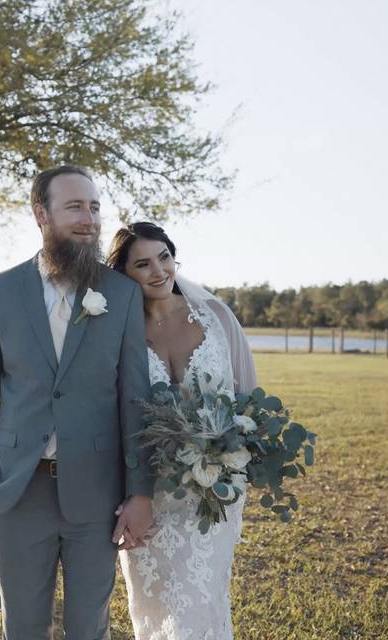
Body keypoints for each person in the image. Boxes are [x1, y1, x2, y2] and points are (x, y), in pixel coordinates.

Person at [0, 166, 155, 639]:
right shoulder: (0, 290)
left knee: (88, 625)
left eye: (94, 207)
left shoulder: (122, 294)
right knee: (24, 625)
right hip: (15, 489)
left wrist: (140, 491)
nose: (88, 219)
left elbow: (135, 397)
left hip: (97, 493)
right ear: (40, 214)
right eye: (74, 207)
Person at [107, 221, 257, 640]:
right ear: (125, 275)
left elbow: (249, 400)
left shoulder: (217, 317)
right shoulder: (119, 331)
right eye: (143, 263)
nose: (159, 270)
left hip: (213, 488)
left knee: (201, 599)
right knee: (152, 604)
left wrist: (231, 455)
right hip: (147, 489)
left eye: (164, 257)